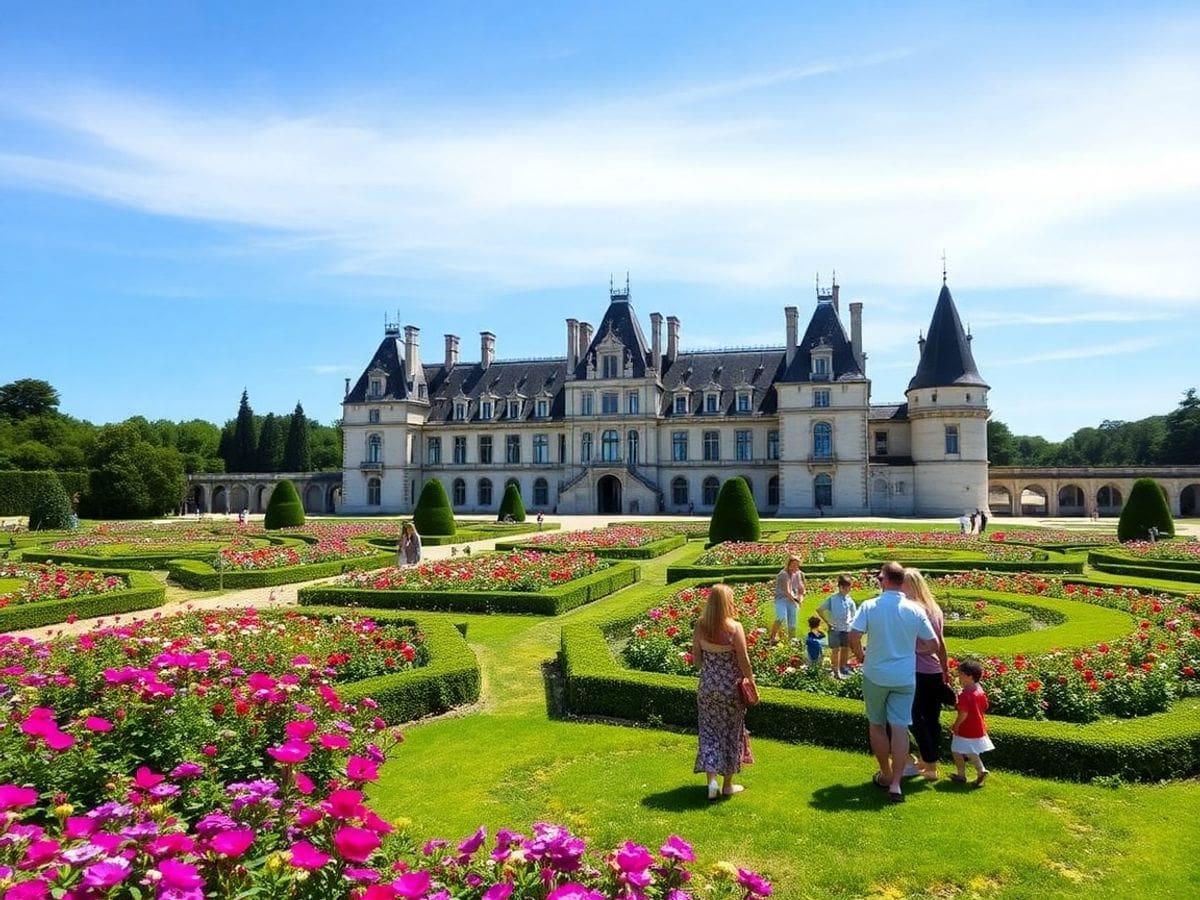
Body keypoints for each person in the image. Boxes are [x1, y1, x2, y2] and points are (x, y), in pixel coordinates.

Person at [849, 561, 939, 803]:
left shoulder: (870, 605)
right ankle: (897, 784)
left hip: (876, 673)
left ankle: (886, 774)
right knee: (900, 727)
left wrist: (860, 655)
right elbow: (933, 644)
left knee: (877, 724)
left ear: (886, 580)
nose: (878, 581)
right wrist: (911, 649)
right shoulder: (915, 609)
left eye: (879, 578)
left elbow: (854, 634)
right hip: (904, 676)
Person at [692, 584, 755, 800]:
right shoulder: (734, 628)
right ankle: (727, 785)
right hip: (730, 689)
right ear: (728, 602)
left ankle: (711, 782)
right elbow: (743, 660)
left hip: (708, 687)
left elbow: (697, 661)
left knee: (709, 732)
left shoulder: (701, 626)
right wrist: (752, 682)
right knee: (731, 734)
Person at [903, 568, 950, 780]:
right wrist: (945, 668)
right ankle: (930, 763)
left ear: (909, 585)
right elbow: (941, 643)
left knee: (913, 716)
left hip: (917, 670)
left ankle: (929, 761)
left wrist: (911, 650)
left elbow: (923, 644)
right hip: (934, 670)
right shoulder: (935, 608)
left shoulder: (913, 609)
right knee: (933, 718)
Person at [950, 659, 993, 787]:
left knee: (956, 750)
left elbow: (963, 713)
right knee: (971, 750)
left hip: (965, 728)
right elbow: (985, 706)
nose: (959, 677)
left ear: (969, 677)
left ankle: (961, 775)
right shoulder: (979, 691)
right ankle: (981, 770)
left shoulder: (965, 695)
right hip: (978, 727)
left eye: (961, 674)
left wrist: (956, 725)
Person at [818, 574, 857, 679]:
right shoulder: (832, 599)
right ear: (841, 587)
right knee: (835, 650)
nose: (849, 590)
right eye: (847, 587)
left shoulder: (849, 600)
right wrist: (828, 622)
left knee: (845, 648)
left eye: (849, 587)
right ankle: (835, 671)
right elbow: (820, 609)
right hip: (834, 628)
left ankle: (842, 667)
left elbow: (854, 614)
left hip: (846, 628)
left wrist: (853, 625)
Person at [768, 556, 805, 644]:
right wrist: (796, 601)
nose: (795, 568)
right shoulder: (783, 574)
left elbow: (801, 587)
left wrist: (801, 598)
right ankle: (772, 637)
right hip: (782, 599)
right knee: (781, 617)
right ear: (788, 565)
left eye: (797, 565)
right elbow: (787, 591)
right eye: (793, 565)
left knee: (792, 622)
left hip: (793, 598)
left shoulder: (798, 573)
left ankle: (791, 641)